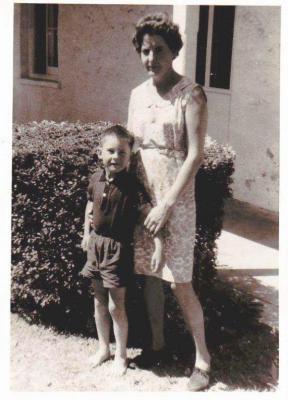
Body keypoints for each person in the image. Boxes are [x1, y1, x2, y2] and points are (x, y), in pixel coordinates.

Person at [127, 13, 211, 391]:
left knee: (180, 281)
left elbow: (195, 155)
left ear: (173, 51)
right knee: (149, 275)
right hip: (146, 198)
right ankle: (158, 345)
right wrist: (145, 204)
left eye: (159, 50)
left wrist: (167, 205)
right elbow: (133, 148)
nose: (151, 58)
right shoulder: (137, 95)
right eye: (145, 50)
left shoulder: (191, 94)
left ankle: (203, 361)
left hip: (176, 200)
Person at [80, 124, 163, 376]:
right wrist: (86, 234)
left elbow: (150, 218)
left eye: (122, 153)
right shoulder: (95, 178)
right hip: (96, 245)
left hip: (118, 250)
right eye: (110, 151)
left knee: (117, 306)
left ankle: (121, 355)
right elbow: (89, 206)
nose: (115, 157)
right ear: (100, 153)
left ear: (130, 156)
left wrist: (159, 246)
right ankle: (103, 348)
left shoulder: (132, 187)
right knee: (98, 302)